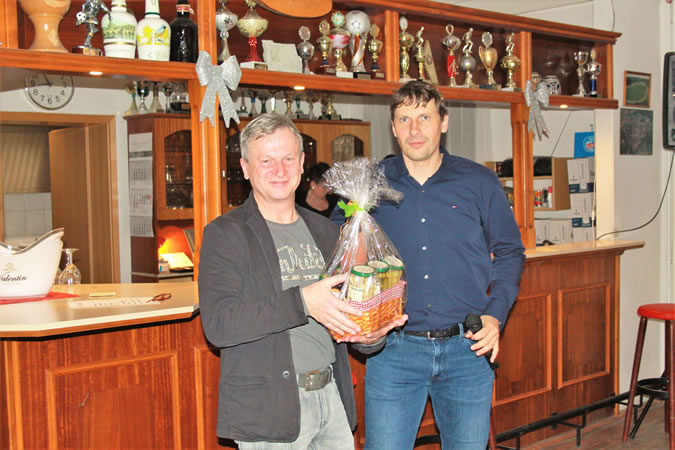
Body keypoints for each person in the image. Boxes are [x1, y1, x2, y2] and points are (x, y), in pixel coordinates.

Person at [336, 80, 525, 449]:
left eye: (424, 117)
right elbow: (338, 251)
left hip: (468, 350)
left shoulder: (479, 181)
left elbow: (510, 252)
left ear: (444, 122)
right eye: (404, 119)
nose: (414, 129)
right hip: (394, 350)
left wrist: (495, 315)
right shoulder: (368, 184)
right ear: (393, 128)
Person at [198, 113, 405, 449]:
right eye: (266, 161)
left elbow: (344, 314)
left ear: (302, 163)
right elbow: (219, 326)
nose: (279, 170)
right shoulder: (225, 234)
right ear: (246, 167)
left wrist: (371, 334)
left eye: (288, 158)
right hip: (270, 411)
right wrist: (303, 301)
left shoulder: (325, 230)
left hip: (332, 400)